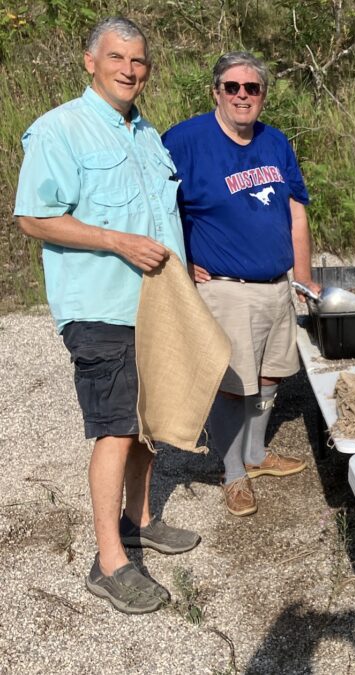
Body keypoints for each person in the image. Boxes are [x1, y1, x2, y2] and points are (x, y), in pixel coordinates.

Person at [14, 17, 200, 614]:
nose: (129, 69)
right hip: (100, 304)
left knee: (146, 419)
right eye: (117, 57)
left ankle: (138, 518)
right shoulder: (59, 129)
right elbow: (34, 217)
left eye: (139, 60)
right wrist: (117, 241)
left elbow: (163, 216)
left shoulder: (146, 134)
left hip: (158, 303)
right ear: (90, 61)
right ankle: (108, 562)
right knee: (116, 426)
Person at [162, 52, 316, 518]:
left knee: (270, 374)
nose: (243, 96)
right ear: (217, 91)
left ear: (263, 95)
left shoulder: (274, 141)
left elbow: (295, 211)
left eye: (252, 88)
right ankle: (232, 473)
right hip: (225, 286)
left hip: (275, 283)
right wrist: (179, 263)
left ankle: (255, 454)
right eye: (233, 87)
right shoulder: (186, 140)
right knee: (232, 383)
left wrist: (303, 277)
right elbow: (156, 207)